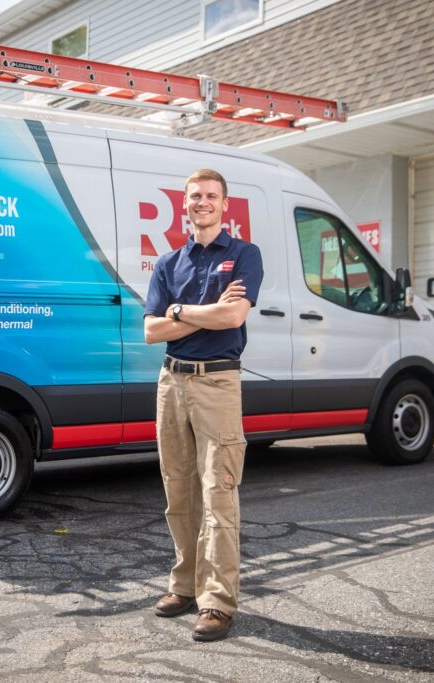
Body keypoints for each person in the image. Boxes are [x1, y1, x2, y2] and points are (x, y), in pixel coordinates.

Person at [143, 168, 263, 642]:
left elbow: (233, 315)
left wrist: (177, 311)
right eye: (195, 196)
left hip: (217, 383)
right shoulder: (169, 263)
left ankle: (217, 602)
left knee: (218, 493)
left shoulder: (243, 254)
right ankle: (185, 585)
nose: (202, 202)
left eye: (211, 196)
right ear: (185, 204)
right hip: (171, 383)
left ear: (225, 204)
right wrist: (201, 314)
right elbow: (151, 331)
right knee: (179, 492)